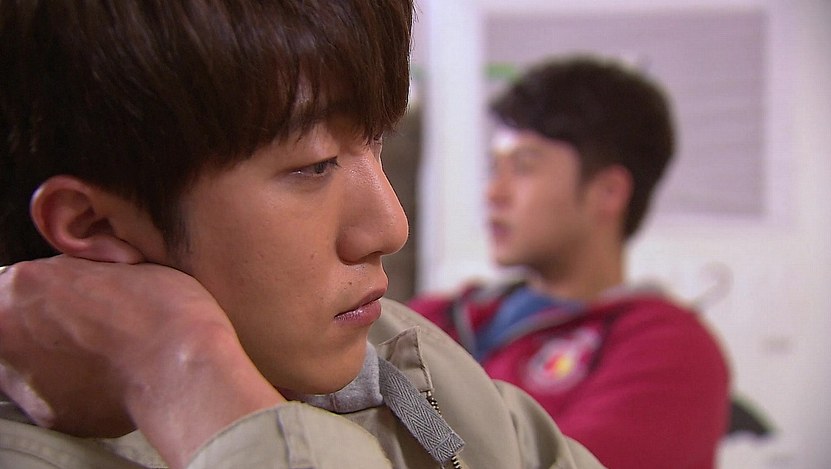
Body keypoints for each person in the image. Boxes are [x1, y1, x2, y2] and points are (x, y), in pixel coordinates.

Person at [0, 2, 604, 468]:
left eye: (377, 142)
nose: (390, 227)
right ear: (96, 224)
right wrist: (183, 368)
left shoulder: (396, 355)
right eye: (315, 165)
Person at [409, 56, 730, 469]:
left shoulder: (669, 350)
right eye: (494, 168)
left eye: (523, 167)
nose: (493, 192)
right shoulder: (440, 318)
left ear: (608, 193)